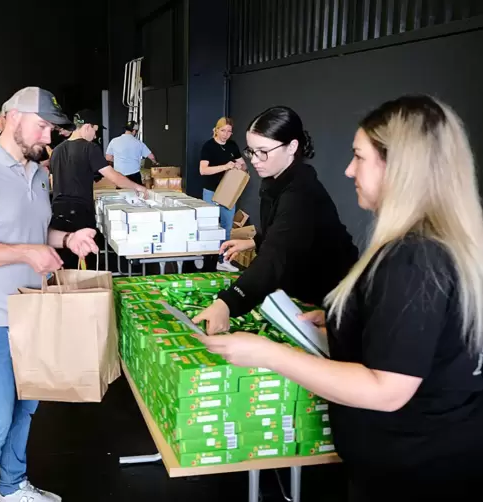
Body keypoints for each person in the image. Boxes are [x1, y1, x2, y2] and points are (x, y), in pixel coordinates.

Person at [196, 95, 483, 501]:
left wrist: (265, 352)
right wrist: (350, 319)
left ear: (400, 168)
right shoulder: (425, 246)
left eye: (359, 158)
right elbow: (424, 338)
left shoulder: (414, 257)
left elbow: (387, 389)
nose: (348, 170)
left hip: (416, 471)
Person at [0, 86, 97, 502]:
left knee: (25, 409)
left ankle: (11, 487)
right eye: (43, 126)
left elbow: (30, 232)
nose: (49, 137)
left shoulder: (35, 172)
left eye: (52, 129)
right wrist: (27, 253)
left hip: (33, 312)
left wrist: (67, 239)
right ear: (12, 118)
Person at [194, 106, 357, 322]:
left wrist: (228, 302)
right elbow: (285, 231)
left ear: (292, 147)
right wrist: (254, 241)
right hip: (300, 288)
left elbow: (276, 256)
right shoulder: (276, 180)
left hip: (327, 294)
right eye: (251, 151)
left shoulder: (301, 191)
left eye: (263, 151)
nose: (253, 159)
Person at [50, 109, 148, 269]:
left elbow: (54, 181)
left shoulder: (57, 150)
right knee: (86, 259)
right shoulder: (89, 148)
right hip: (80, 211)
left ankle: (67, 291)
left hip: (57, 210)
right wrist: (138, 187)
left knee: (64, 263)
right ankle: (87, 290)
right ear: (87, 126)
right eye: (95, 131)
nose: (95, 136)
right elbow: (114, 176)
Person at [199, 117, 247, 240]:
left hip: (228, 192)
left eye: (229, 131)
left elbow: (244, 166)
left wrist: (239, 166)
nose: (226, 134)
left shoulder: (232, 145)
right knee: (210, 225)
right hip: (211, 191)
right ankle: (210, 256)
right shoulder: (208, 146)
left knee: (227, 226)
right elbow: (203, 170)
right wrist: (225, 166)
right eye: (223, 130)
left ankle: (224, 257)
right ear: (216, 130)